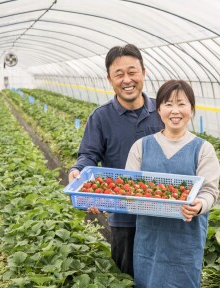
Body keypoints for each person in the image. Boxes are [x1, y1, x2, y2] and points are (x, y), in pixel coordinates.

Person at [68, 44, 164, 276]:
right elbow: (89, 155)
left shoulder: (162, 112)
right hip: (123, 216)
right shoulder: (101, 117)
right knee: (126, 276)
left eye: (132, 72)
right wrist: (78, 170)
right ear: (109, 79)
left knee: (160, 275)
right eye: (119, 74)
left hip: (162, 212)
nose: (127, 80)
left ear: (143, 72)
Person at [125, 80, 220, 288]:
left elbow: (209, 192)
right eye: (168, 104)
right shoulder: (141, 147)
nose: (175, 111)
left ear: (192, 110)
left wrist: (199, 205)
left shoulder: (203, 149)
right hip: (150, 240)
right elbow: (128, 189)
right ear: (158, 109)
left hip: (185, 241)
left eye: (181, 104)